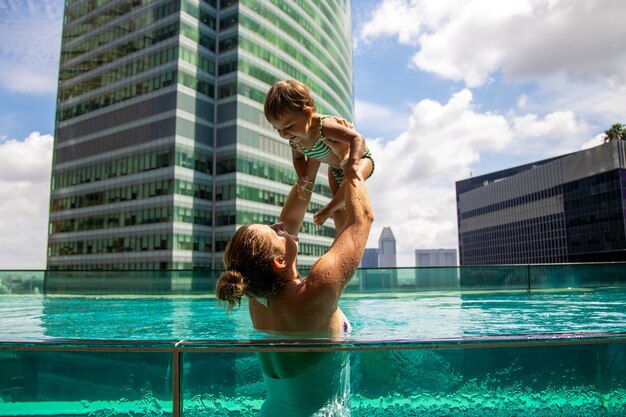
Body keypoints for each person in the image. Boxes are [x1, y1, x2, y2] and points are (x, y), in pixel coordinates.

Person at [215, 171, 373, 416]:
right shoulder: (314, 291)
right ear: (280, 260)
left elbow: (290, 219)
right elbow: (362, 218)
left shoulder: (255, 296)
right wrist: (350, 164)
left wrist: (310, 166)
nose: (281, 226)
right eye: (275, 232)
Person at [264, 79, 375, 230]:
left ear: (308, 113)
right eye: (278, 130)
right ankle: (339, 238)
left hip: (361, 159)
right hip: (334, 168)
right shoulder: (295, 141)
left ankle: (327, 210)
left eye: (289, 126)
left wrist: (353, 164)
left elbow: (357, 138)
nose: (284, 134)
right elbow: (298, 159)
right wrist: (302, 176)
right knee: (340, 210)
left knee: (348, 188)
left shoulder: (323, 126)